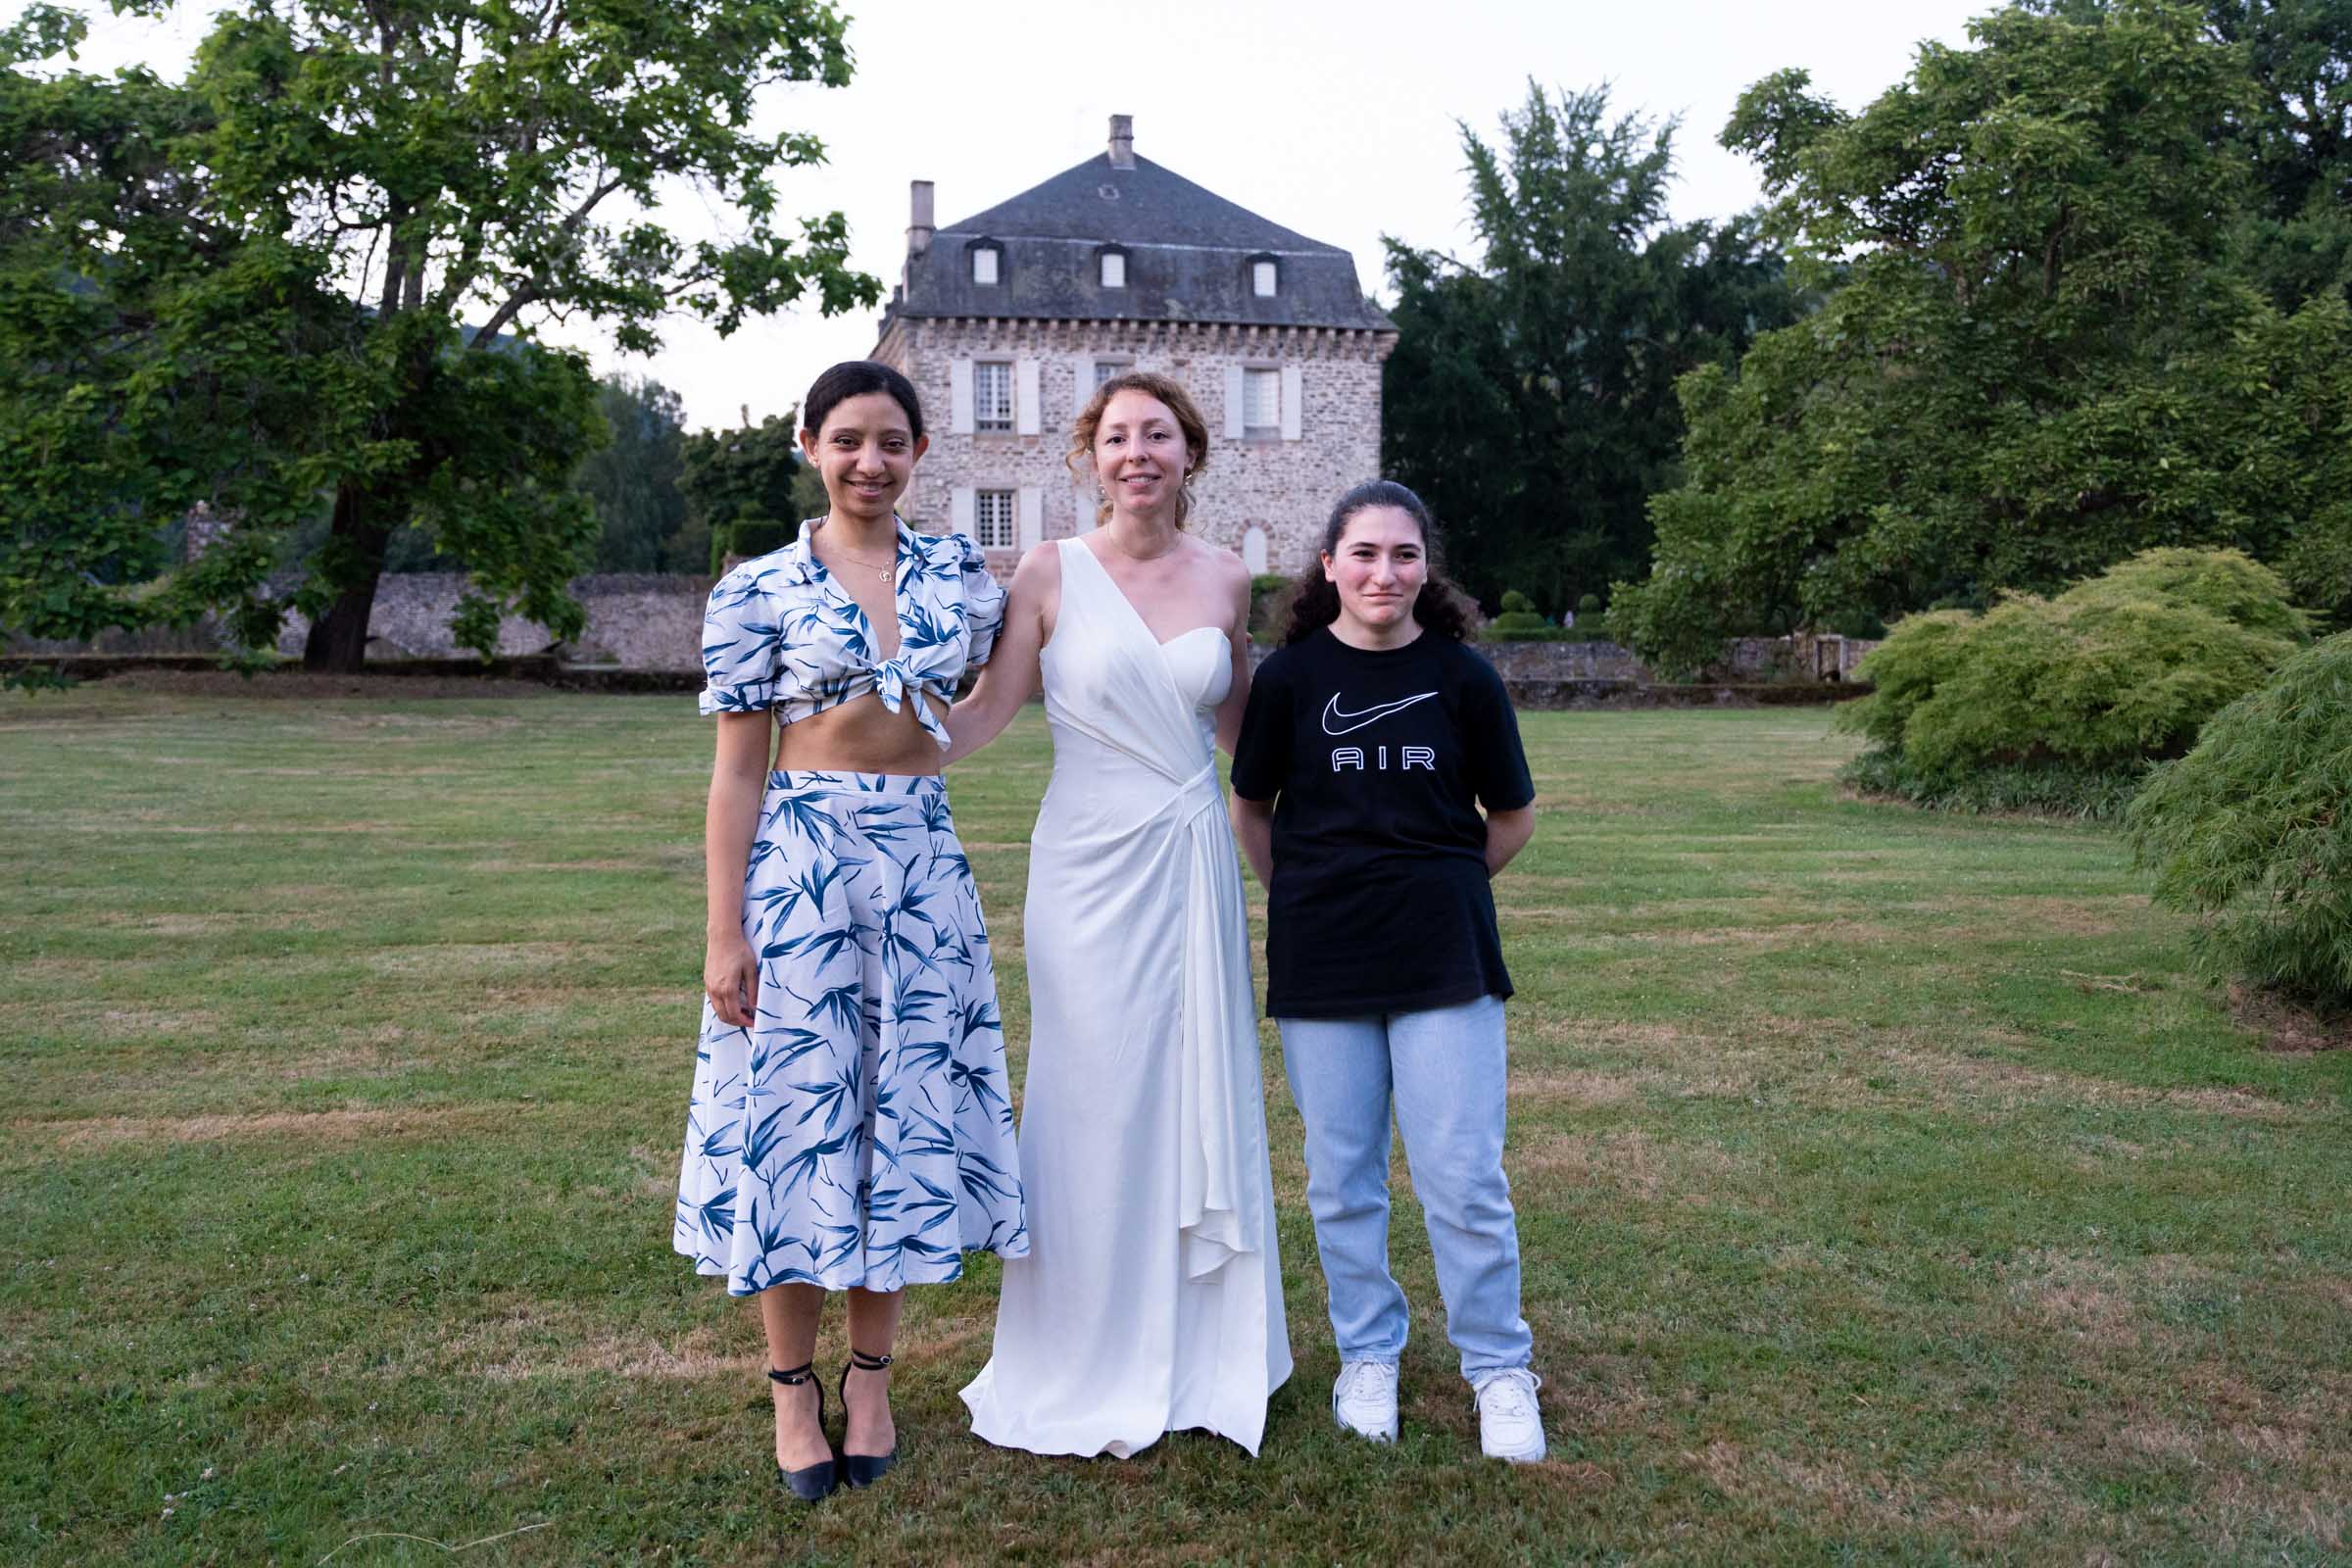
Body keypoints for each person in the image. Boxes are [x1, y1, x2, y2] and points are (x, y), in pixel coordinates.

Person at [673, 361, 1026, 1502]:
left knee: (900, 1127)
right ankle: (790, 1390)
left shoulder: (963, 582)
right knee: (797, 1129)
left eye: (891, 440)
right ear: (809, 445)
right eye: (847, 439)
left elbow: (984, 701)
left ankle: (871, 1380)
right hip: (802, 873)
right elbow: (735, 775)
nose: (870, 460)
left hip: (922, 868)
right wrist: (726, 932)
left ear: (920, 452)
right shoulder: (759, 589)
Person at [947, 370, 1291, 1456]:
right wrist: (854, 734)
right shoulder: (1048, 570)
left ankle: (1200, 1343)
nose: (1136, 452)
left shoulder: (1229, 578)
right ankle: (1078, 1343)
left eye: (1158, 434)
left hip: (1190, 858)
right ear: (1090, 458)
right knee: (1088, 1091)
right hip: (1085, 870)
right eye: (1116, 437)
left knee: (1191, 1080)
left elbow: (1248, 736)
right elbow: (989, 711)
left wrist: (1364, 795)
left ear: (1191, 452)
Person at [1227, 479, 1544, 1462]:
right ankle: (1369, 1354)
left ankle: (1498, 1367)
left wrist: (1438, 885)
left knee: (1462, 1174)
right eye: (1363, 553)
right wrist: (1312, 893)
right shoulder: (1288, 679)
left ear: (1425, 568)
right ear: (1329, 565)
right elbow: (1253, 809)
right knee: (1341, 1178)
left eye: (1403, 554)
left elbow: (1512, 815)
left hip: (1444, 949)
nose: (1384, 572)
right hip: (1324, 951)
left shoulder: (1463, 677)